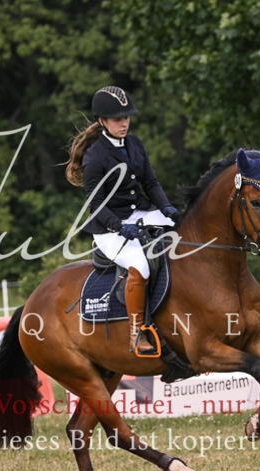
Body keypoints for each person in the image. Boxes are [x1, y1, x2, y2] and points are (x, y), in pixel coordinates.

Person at [64, 86, 180, 357]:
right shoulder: (95, 157)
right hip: (109, 226)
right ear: (102, 121)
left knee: (184, 236)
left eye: (126, 117)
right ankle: (136, 331)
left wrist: (166, 207)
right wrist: (119, 227)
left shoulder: (135, 143)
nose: (124, 123)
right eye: (118, 119)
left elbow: (150, 182)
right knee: (140, 265)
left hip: (140, 212)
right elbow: (96, 205)